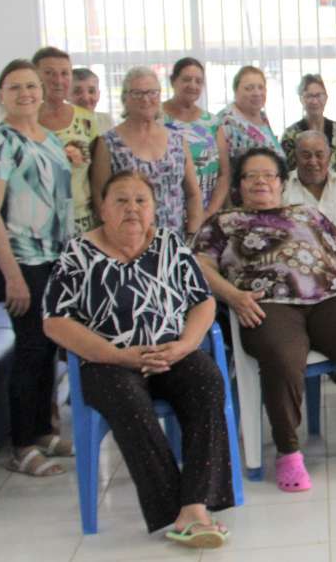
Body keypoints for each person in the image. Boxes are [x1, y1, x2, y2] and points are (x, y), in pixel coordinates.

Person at [42, 171, 234, 545]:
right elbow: (54, 321)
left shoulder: (170, 245)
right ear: (102, 209)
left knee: (207, 381)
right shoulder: (77, 252)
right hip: (108, 359)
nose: (132, 208)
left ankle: (194, 504)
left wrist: (185, 344)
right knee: (129, 401)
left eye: (140, 201)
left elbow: (203, 301)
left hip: (170, 351)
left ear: (154, 209)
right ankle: (176, 507)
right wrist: (116, 355)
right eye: (121, 201)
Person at [193, 148, 336, 493]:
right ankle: (288, 451)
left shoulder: (309, 214)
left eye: (268, 175)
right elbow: (202, 266)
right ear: (239, 186)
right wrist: (233, 296)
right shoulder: (223, 222)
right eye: (251, 176)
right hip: (267, 304)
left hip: (328, 297)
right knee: (283, 357)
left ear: (282, 183)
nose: (260, 182)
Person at [0, 59, 75, 477]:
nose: (26, 94)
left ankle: (42, 431)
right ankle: (21, 445)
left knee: (49, 346)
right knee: (30, 349)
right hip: (20, 261)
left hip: (53, 257)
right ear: (1, 94)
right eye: (15, 87)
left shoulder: (48, 139)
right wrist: (12, 275)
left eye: (32, 86)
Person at [90, 66, 203, 238]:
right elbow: (100, 199)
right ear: (125, 98)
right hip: (128, 243)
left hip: (174, 243)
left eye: (152, 93)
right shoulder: (108, 143)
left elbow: (193, 194)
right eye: (137, 93)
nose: (146, 99)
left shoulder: (177, 140)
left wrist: (192, 236)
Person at [34, 47, 103, 234]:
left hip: (82, 221)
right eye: (49, 73)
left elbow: (98, 176)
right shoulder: (25, 121)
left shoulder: (87, 120)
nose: (58, 80)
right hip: (37, 225)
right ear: (35, 76)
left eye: (64, 73)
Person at [211, 66, 282, 217]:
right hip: (242, 209)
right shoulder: (225, 121)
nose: (257, 93)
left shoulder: (262, 118)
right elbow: (223, 174)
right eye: (249, 88)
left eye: (260, 87)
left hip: (269, 203)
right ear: (236, 92)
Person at [282, 131, 336, 239]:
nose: (313, 161)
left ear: (329, 157)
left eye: (319, 155)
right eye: (306, 156)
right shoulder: (281, 188)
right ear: (296, 157)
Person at [162, 57, 222, 213]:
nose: (193, 85)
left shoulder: (212, 123)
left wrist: (208, 213)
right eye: (187, 79)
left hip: (207, 211)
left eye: (198, 81)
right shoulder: (155, 118)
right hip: (167, 212)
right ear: (173, 81)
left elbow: (224, 175)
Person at [280, 74, 336, 175]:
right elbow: (285, 171)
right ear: (301, 99)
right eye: (309, 96)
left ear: (326, 97)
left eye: (319, 95)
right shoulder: (290, 134)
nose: (314, 101)